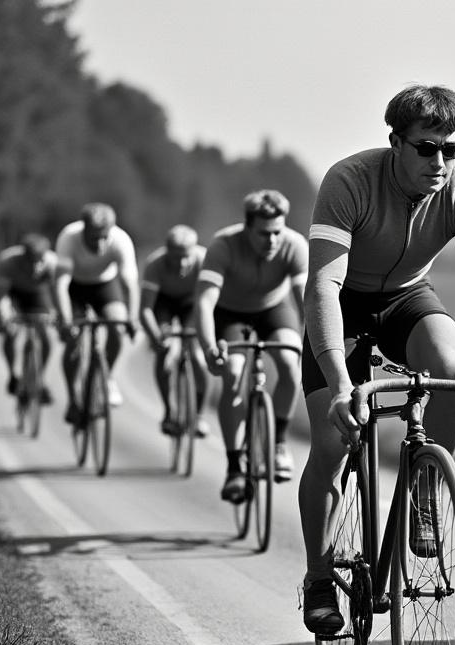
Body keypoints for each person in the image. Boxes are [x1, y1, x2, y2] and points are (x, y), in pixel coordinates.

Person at [298, 84, 455, 635]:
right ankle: (320, 577)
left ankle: (424, 490)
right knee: (332, 442)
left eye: (453, 149)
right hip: (344, 302)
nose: (440, 162)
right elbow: (323, 286)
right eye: (427, 148)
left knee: (454, 368)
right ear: (395, 142)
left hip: (406, 297)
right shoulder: (349, 180)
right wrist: (340, 383)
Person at [196, 191, 307, 501]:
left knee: (290, 362)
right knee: (233, 374)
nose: (272, 240)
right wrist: (208, 347)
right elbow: (204, 302)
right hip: (231, 313)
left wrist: (317, 343)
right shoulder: (224, 245)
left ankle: (279, 444)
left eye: (277, 232)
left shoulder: (294, 245)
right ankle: (234, 467)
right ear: (247, 228)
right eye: (263, 233)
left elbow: (305, 301)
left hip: (273, 309)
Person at [54, 203, 139, 421]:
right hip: (75, 287)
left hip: (105, 285)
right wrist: (66, 320)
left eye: (104, 237)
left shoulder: (121, 240)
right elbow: (61, 285)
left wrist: (132, 318)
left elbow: (130, 285)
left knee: (117, 326)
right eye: (94, 238)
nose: (100, 244)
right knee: (73, 340)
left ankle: (106, 375)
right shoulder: (68, 238)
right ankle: (73, 399)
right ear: (84, 229)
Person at [139, 225, 211, 438]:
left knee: (197, 355)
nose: (181, 264)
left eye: (185, 257)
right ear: (167, 252)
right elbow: (145, 310)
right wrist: (155, 337)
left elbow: (211, 303)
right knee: (164, 351)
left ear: (194, 251)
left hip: (192, 303)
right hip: (164, 303)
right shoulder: (155, 264)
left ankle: (199, 415)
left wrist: (204, 334)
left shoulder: (205, 261)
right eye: (175, 258)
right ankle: (169, 411)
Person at [0, 233, 66, 403]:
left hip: (37, 294)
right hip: (14, 293)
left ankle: (40, 379)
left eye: (38, 261)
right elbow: (0, 297)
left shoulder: (52, 262)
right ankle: (12, 375)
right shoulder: (7, 261)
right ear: (23, 256)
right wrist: (4, 319)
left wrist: (60, 317)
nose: (35, 266)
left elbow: (57, 294)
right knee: (11, 333)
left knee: (45, 337)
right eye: (30, 261)